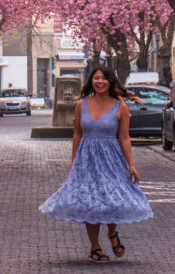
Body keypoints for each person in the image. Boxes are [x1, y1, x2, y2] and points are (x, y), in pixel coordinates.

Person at [39, 64, 153, 262]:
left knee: (111, 199)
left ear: (110, 82)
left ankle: (112, 232)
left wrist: (131, 165)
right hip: (87, 158)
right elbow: (77, 133)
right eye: (96, 78)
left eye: (104, 78)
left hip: (111, 158)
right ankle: (95, 247)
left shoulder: (121, 107)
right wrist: (74, 160)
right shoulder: (82, 104)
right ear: (91, 81)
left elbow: (124, 138)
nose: (100, 82)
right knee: (90, 200)